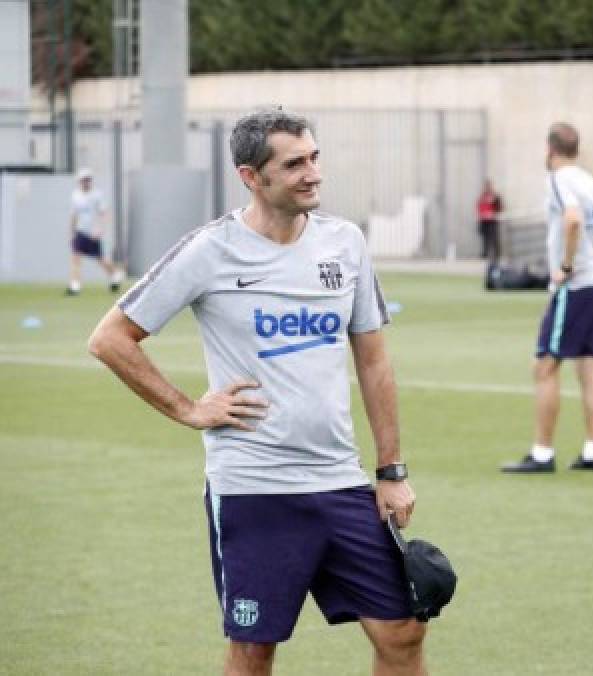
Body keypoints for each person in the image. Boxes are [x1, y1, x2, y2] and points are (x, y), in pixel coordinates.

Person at [87, 110, 430, 676]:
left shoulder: (345, 244)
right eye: (293, 164)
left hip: (341, 483)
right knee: (254, 651)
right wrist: (188, 408)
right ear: (251, 176)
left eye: (314, 157)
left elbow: (373, 360)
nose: (312, 173)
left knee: (403, 631)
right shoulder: (209, 250)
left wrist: (391, 471)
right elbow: (110, 339)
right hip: (254, 488)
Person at [501, 122, 593, 473]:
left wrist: (566, 265)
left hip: (575, 287)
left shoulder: (559, 181)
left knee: (545, 365)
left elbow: (572, 220)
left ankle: (542, 454)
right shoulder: (591, 182)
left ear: (549, 151)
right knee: (589, 366)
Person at [66, 167, 123, 295]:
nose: (85, 182)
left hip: (92, 233)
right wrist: (71, 232)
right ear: (79, 181)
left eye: (88, 180)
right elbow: (74, 215)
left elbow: (104, 213)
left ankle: (115, 274)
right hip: (80, 231)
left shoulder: (97, 195)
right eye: (83, 180)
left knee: (100, 259)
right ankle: (75, 286)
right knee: (75, 257)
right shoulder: (76, 195)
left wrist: (100, 229)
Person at [477, 179, 503, 262]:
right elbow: (479, 207)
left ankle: (497, 255)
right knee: (485, 238)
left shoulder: (495, 196)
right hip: (484, 220)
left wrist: (493, 213)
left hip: (492, 220)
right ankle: (485, 254)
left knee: (494, 238)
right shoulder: (483, 197)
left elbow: (499, 207)